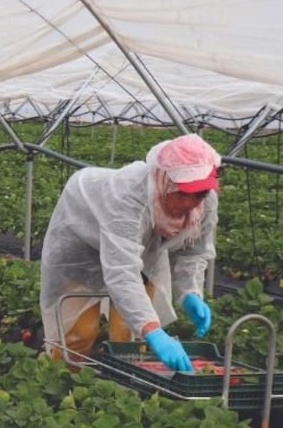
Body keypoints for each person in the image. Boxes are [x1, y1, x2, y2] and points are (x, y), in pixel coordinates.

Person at [39, 133, 220, 372]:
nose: (191, 203)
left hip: (140, 249)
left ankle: (127, 386)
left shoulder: (205, 203)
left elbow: (193, 251)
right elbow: (121, 272)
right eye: (183, 193)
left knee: (130, 335)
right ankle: (59, 383)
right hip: (82, 243)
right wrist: (155, 332)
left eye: (199, 193)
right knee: (79, 332)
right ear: (165, 180)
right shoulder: (128, 198)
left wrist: (189, 292)